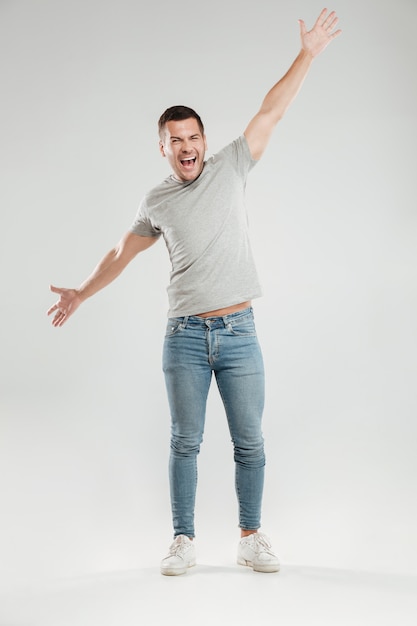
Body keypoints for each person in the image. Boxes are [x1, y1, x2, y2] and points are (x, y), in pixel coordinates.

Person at [47, 8, 341, 576]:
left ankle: (250, 536)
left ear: (204, 141)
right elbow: (120, 254)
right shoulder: (156, 201)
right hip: (183, 336)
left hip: (239, 332)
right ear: (162, 148)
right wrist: (80, 293)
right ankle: (183, 539)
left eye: (193, 137)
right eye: (174, 140)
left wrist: (308, 54)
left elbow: (271, 111)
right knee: (185, 442)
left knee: (250, 442)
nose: (186, 147)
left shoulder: (232, 164)